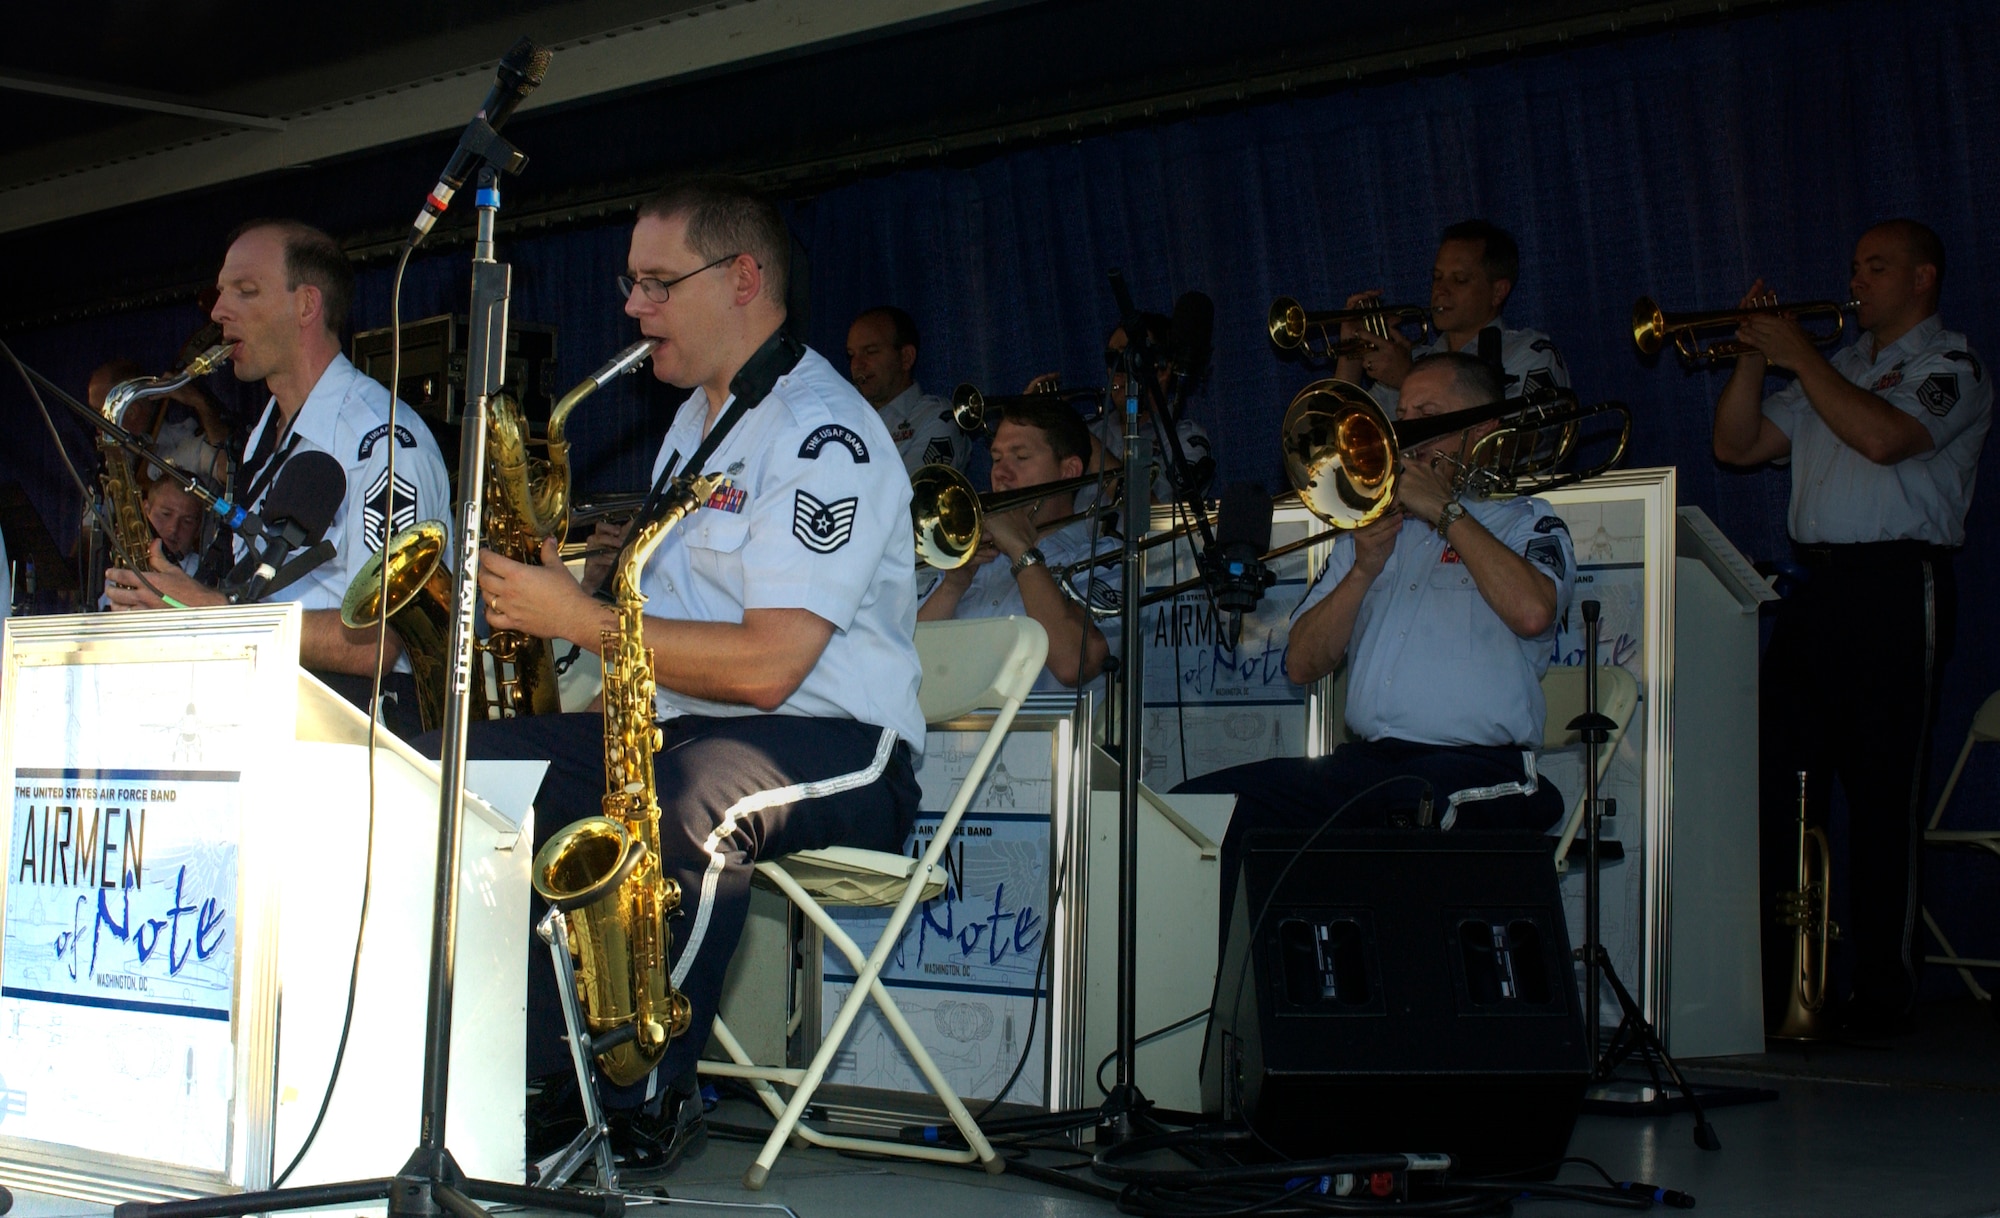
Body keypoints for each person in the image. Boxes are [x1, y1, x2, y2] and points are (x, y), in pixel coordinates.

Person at [444, 176, 924, 1180]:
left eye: (657, 283)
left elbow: (768, 666)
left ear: (744, 278)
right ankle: (507, 1074)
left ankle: (638, 1094)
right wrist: (553, 574)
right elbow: (670, 607)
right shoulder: (695, 422)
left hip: (839, 745)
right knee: (468, 769)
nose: (631, 307)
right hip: (686, 727)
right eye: (630, 283)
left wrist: (577, 616)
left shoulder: (821, 431)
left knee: (693, 798)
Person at [1176, 352, 1575, 928]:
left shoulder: (1525, 521)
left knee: (1392, 814)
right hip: (1371, 765)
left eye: (1428, 413)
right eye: (1401, 411)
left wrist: (1444, 511)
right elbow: (1302, 664)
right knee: (1200, 812)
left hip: (1483, 769)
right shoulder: (1367, 535)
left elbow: (1534, 612)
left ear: (1484, 427)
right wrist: (1363, 568)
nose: (1402, 428)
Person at [1710, 219, 1990, 1036]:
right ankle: (1783, 989)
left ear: (1923, 278)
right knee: (1787, 787)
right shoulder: (1841, 369)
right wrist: (1754, 357)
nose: (1858, 280)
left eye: (1878, 267)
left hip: (1897, 587)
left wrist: (1798, 356)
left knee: (1880, 793)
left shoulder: (1953, 365)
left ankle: (1882, 989)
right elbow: (1737, 445)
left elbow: (1883, 438)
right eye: (1856, 266)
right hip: (1815, 589)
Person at [102, 219, 451, 735]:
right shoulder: (268, 429)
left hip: (361, 733)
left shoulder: (381, 440)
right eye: (221, 294)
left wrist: (213, 613)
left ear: (307, 305)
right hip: (275, 713)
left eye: (245, 291)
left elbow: (381, 640)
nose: (219, 312)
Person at [917, 396, 1117, 692]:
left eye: (1020, 458)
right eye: (997, 459)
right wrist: (953, 585)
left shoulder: (1103, 556)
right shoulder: (972, 557)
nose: (1000, 473)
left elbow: (1075, 664)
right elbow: (902, 665)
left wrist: (1021, 552)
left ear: (1069, 471)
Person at [1337, 219, 1569, 414]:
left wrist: (1407, 380)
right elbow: (1342, 440)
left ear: (1498, 292)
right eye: (1437, 277)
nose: (1441, 290)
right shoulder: (1414, 359)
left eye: (1459, 280)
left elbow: (1508, 447)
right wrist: (1352, 350)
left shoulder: (1529, 354)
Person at [846, 305, 969, 478]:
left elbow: (906, 490)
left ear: (906, 358)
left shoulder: (936, 417)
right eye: (851, 354)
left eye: (870, 352)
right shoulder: (848, 417)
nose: (857, 365)